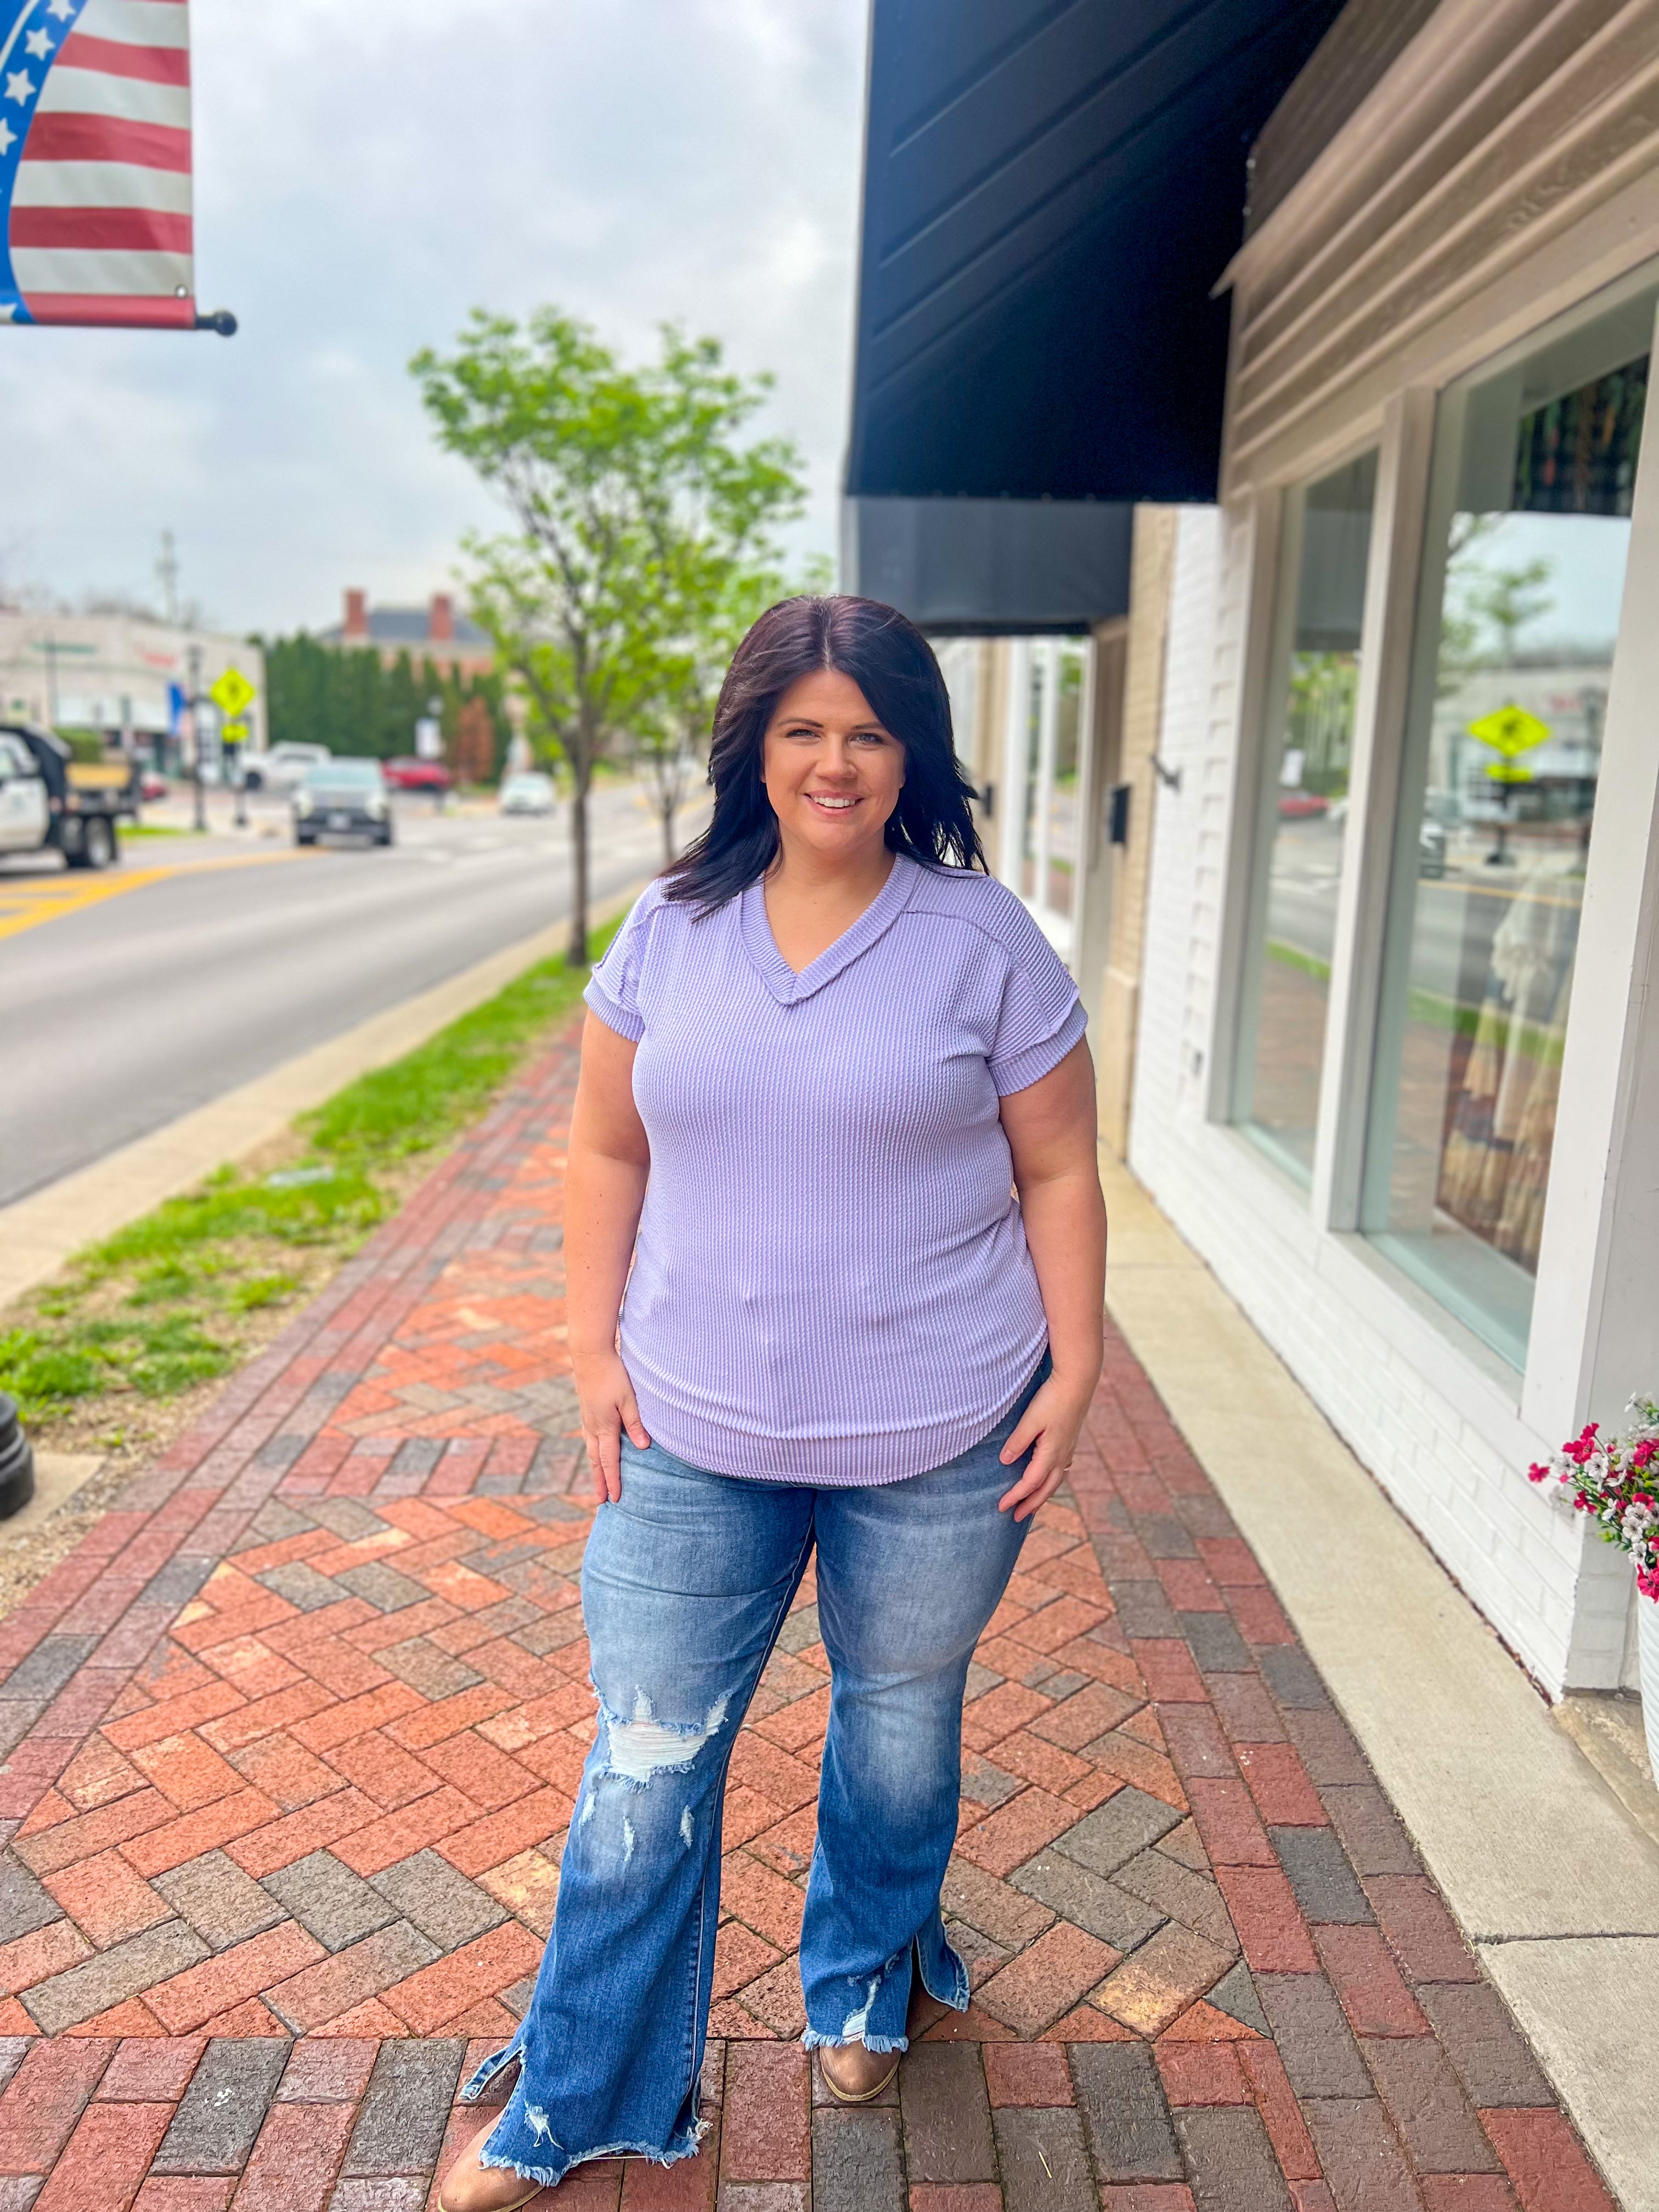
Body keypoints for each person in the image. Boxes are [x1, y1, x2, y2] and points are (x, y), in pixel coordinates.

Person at [439, 595, 1106, 2210]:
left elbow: (1060, 1165)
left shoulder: (983, 937)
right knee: (645, 1761)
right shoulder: (671, 926)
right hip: (690, 1430)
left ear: (910, 753)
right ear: (754, 747)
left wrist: (1078, 1363)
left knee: (896, 1731)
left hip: (942, 1428)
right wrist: (591, 1353)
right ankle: (582, 2089)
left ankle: (865, 1980)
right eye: (803, 729)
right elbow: (608, 1147)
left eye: (869, 730)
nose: (836, 760)